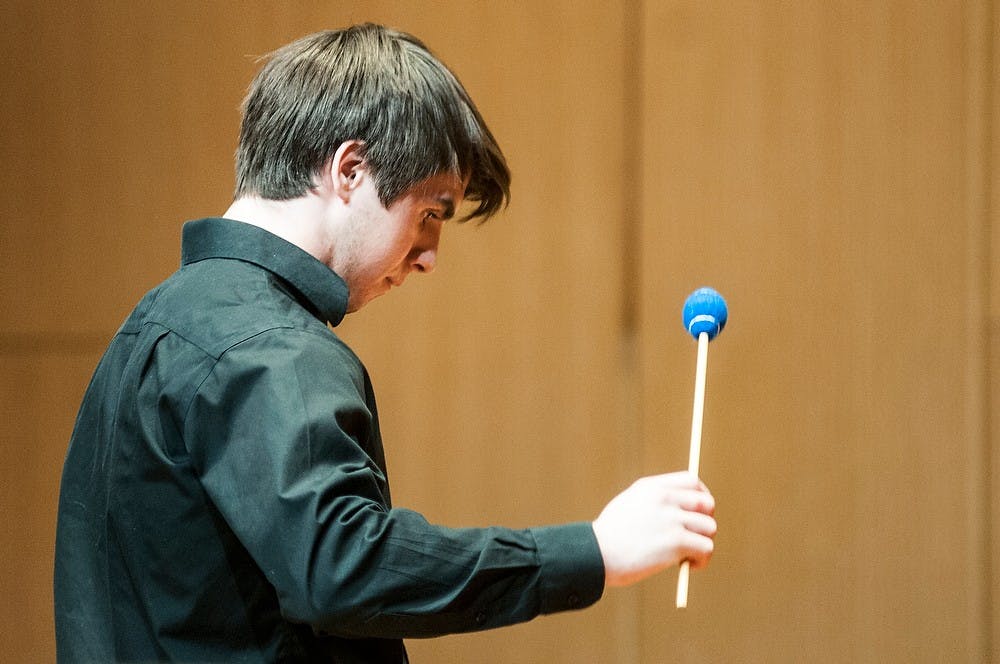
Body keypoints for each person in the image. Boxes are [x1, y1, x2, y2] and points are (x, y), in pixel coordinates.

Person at [54, 23, 717, 663]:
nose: (429, 257)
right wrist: (593, 551)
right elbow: (340, 565)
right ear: (350, 169)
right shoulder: (269, 347)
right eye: (430, 213)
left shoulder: (152, 327)